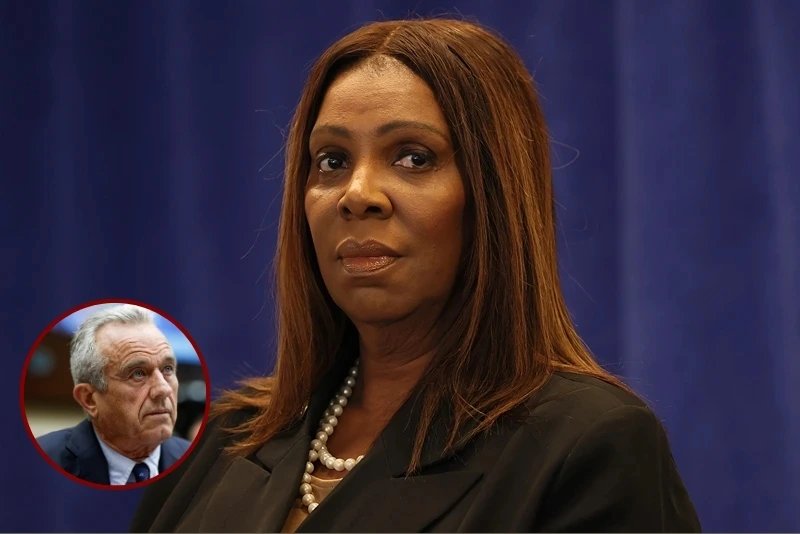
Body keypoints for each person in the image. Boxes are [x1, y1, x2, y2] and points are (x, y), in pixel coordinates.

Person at [130, 18, 701, 532]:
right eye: (331, 161)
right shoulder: (224, 437)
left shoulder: (589, 446)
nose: (357, 195)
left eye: (412, 158)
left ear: (493, 195)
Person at [37, 304, 190, 485]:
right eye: (138, 374)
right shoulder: (41, 465)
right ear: (89, 399)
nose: (163, 389)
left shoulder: (195, 461)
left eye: (167, 369)